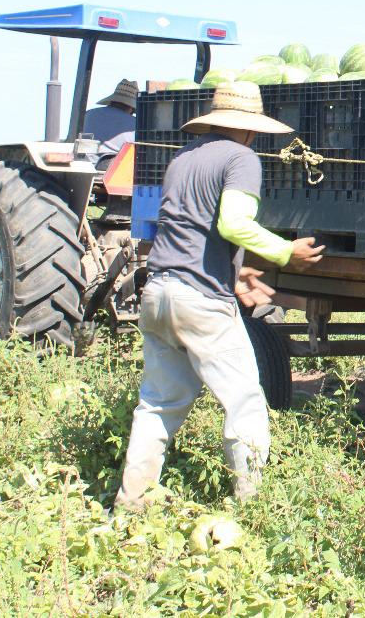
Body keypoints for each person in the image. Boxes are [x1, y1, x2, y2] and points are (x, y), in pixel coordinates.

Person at [115, 80, 324, 511]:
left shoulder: (184, 157)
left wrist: (236, 269)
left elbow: (189, 230)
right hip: (200, 301)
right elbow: (232, 223)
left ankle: (130, 506)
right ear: (250, 128)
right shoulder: (241, 158)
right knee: (245, 399)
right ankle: (252, 507)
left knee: (156, 406)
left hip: (158, 292)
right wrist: (286, 251)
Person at [83, 79, 138, 166]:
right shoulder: (136, 124)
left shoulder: (88, 114)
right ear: (131, 107)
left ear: (112, 101)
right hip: (115, 171)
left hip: (86, 165)